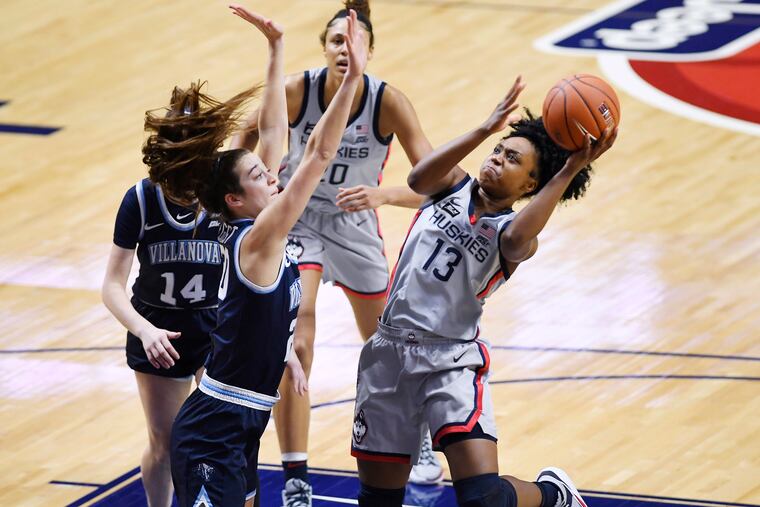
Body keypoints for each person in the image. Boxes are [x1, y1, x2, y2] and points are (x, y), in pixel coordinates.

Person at [350, 76, 617, 507]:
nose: (497, 160)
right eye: (499, 152)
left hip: (450, 360)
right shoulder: (449, 186)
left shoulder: (513, 235)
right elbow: (418, 177)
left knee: (484, 500)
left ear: (530, 186)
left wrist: (570, 169)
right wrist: (484, 130)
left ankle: (555, 496)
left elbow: (515, 241)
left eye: (513, 160)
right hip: (387, 353)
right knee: (377, 501)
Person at [231, 1, 442, 500]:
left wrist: (385, 194)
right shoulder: (294, 92)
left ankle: (422, 439)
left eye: (357, 42)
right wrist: (252, 194)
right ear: (324, 48)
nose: (346, 50)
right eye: (337, 42)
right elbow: (240, 152)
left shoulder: (389, 102)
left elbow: (437, 186)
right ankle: (296, 476)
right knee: (297, 337)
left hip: (355, 224)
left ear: (372, 50)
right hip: (297, 218)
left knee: (388, 344)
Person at [167, 7, 370, 507]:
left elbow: (274, 136)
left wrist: (277, 48)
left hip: (242, 422)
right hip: (214, 430)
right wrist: (353, 83)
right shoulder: (258, 240)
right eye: (261, 177)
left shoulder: (243, 225)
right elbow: (318, 154)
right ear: (236, 200)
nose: (274, 176)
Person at [100, 18, 262, 507]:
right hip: (160, 333)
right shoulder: (141, 201)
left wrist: (276, 54)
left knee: (227, 442)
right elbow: (110, 285)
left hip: (216, 328)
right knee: (167, 445)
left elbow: (266, 126)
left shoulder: (221, 186)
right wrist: (145, 331)